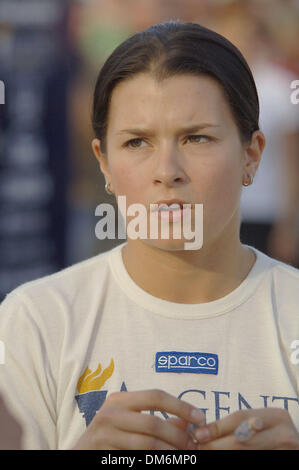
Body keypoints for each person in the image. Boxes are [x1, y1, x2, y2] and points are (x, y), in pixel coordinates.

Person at [0, 20, 299, 450]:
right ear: (103, 162)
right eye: (137, 143)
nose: (166, 172)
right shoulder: (37, 321)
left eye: (196, 138)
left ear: (251, 155)